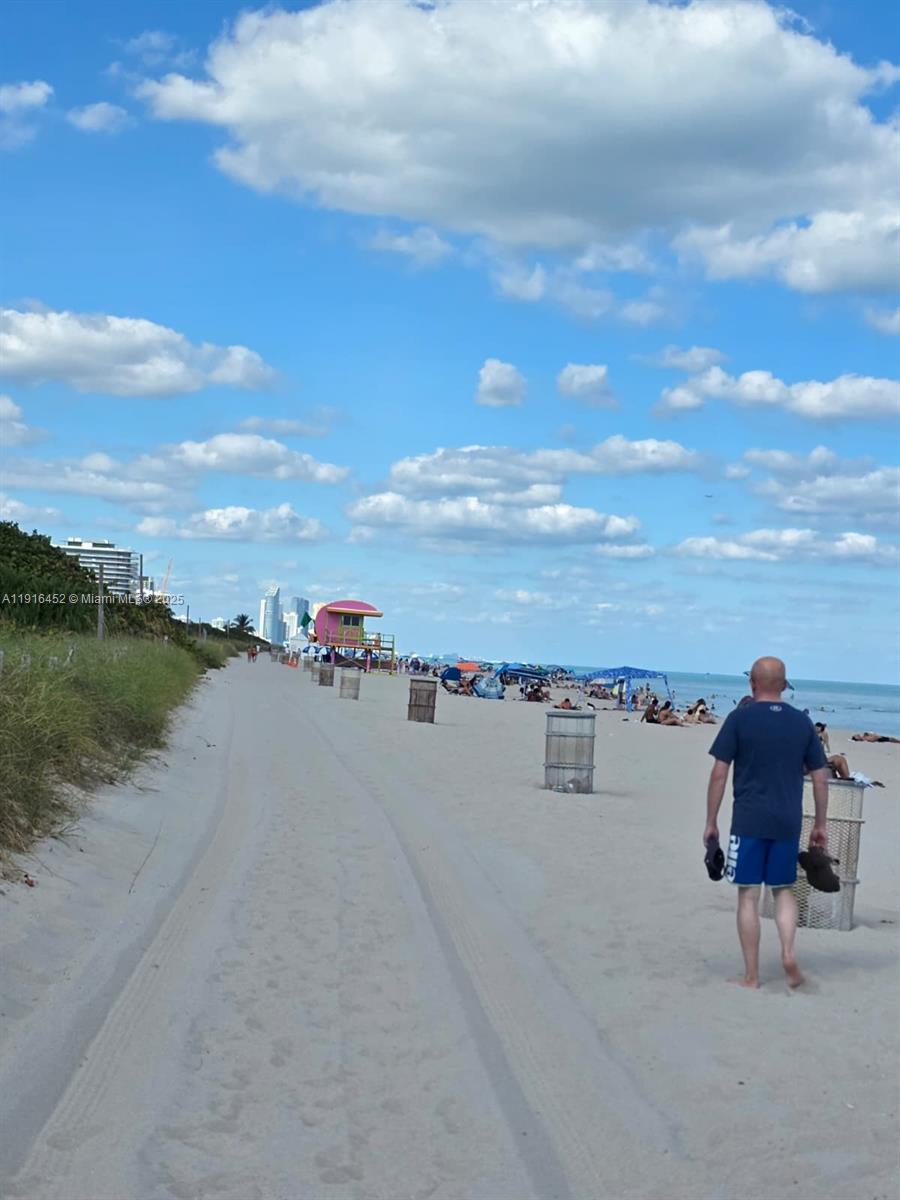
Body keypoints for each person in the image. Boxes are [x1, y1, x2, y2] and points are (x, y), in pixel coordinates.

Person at [704, 656, 829, 989]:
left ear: (752, 683)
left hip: (749, 821)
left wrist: (711, 821)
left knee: (748, 896)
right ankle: (788, 952)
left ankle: (752, 976)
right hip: (787, 821)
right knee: (783, 890)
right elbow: (820, 777)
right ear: (785, 686)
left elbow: (719, 774)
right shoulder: (802, 723)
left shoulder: (739, 719)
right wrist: (820, 823)